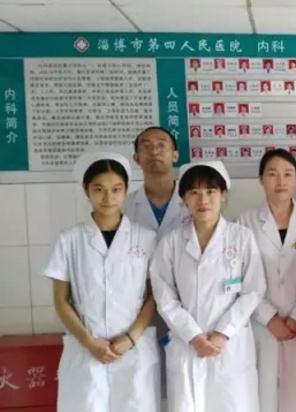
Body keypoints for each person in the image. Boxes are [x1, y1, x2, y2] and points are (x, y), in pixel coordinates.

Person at [44, 152, 160, 412]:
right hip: (86, 350)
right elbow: (61, 300)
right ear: (86, 190)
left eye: (116, 189)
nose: (108, 197)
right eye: (99, 189)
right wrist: (89, 341)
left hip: (133, 350)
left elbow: (155, 296)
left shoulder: (146, 238)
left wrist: (130, 338)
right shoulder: (69, 239)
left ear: (126, 191)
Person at [150, 161, 266, 412]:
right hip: (187, 345)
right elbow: (164, 296)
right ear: (184, 199)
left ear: (223, 194)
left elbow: (253, 290)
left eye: (211, 191)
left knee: (233, 404)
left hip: (230, 345)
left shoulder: (241, 237)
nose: (203, 199)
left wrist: (223, 333)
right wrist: (193, 335)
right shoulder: (171, 242)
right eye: (194, 192)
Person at [238, 149, 296, 412]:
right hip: (262, 324)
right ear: (261, 180)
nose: (281, 181)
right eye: (272, 174)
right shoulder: (244, 222)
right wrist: (269, 318)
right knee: (263, 395)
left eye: (288, 174)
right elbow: (241, 277)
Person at [125, 127, 190, 238]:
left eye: (161, 145)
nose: (154, 152)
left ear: (175, 155)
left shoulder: (195, 200)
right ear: (136, 158)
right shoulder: (124, 205)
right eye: (146, 146)